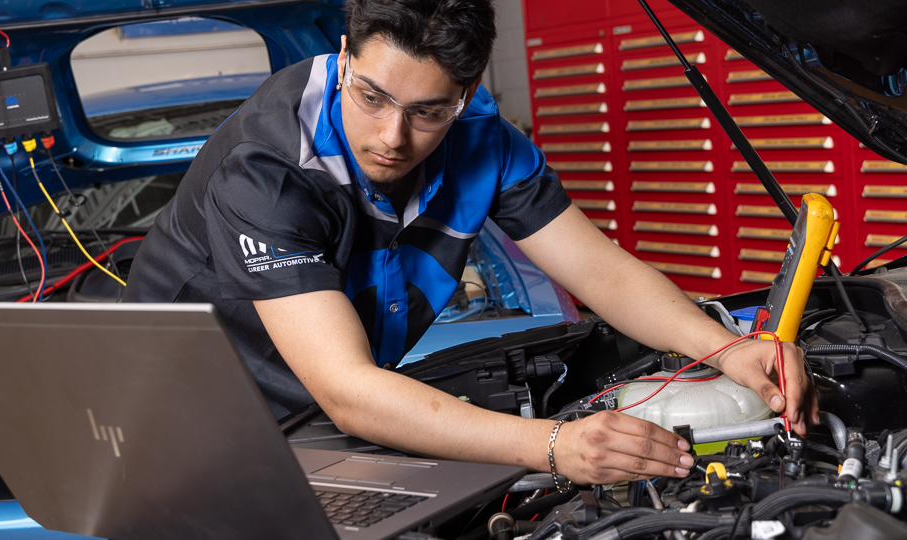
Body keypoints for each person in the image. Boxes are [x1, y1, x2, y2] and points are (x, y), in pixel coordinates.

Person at [124, 0, 817, 485]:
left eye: (428, 112)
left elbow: (600, 273)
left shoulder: (485, 139)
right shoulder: (271, 167)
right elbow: (349, 391)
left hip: (325, 430)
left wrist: (726, 349)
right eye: (371, 97)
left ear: (466, 94)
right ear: (343, 58)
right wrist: (554, 445)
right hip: (186, 440)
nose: (393, 137)